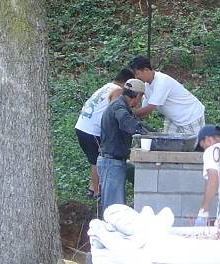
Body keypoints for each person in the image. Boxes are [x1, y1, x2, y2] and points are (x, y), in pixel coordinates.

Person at [74, 67, 134, 198]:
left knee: (94, 159)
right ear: (126, 83)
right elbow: (114, 109)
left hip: (82, 126)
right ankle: (97, 192)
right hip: (92, 130)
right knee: (97, 160)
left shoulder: (107, 86)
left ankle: (93, 188)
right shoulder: (118, 91)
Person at [97, 78, 151, 211]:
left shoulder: (120, 106)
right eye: (141, 97)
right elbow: (127, 122)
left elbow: (134, 122)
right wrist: (146, 134)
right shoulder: (119, 107)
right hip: (111, 163)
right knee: (114, 209)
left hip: (112, 162)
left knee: (115, 207)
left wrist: (151, 132)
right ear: (137, 96)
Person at [130, 56, 206, 134]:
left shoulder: (161, 82)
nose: (136, 77)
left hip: (190, 116)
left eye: (137, 74)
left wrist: (129, 114)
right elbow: (144, 114)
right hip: (173, 119)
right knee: (167, 141)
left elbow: (149, 109)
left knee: (193, 141)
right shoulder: (146, 86)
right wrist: (138, 97)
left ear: (146, 70)